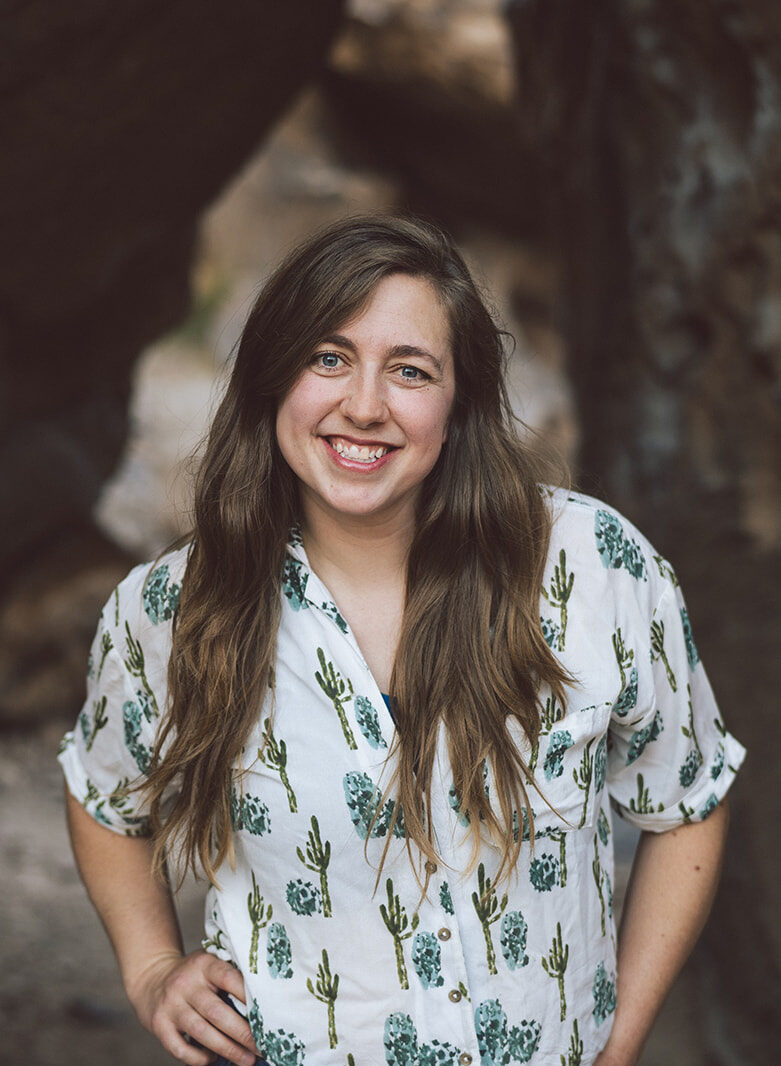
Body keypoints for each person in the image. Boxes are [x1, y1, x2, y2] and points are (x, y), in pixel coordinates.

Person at [59, 215, 745, 1066]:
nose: (363, 406)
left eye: (410, 371)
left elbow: (686, 798)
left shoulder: (593, 567)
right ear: (273, 379)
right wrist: (153, 967)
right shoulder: (170, 609)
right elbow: (104, 800)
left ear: (458, 407)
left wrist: (618, 1044)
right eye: (327, 358)